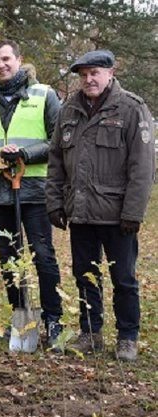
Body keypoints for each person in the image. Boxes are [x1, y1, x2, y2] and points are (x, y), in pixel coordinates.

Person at [46, 50, 155, 361]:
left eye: (95, 72)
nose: (88, 79)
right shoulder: (69, 110)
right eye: (83, 75)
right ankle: (90, 334)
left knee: (124, 278)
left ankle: (127, 337)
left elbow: (142, 166)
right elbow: (56, 161)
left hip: (117, 215)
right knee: (85, 276)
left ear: (111, 72)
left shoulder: (131, 108)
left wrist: (133, 212)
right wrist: (55, 202)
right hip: (80, 213)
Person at [0, 39, 64, 346]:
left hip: (35, 190)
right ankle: (20, 314)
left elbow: (58, 140)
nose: (1, 65)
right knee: (8, 257)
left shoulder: (44, 94)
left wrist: (24, 153)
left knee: (43, 256)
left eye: (6, 59)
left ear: (19, 60)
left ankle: (53, 318)